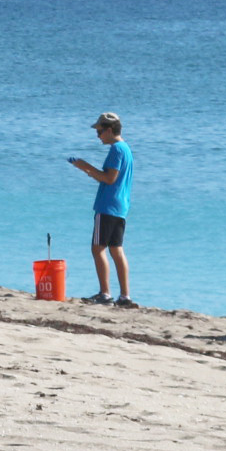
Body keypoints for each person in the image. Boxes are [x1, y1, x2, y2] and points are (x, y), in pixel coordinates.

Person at [66, 113, 134, 306]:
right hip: (120, 206)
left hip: (108, 206)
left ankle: (105, 294)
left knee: (97, 249)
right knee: (116, 249)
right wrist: (93, 173)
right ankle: (125, 296)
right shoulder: (125, 149)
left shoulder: (116, 150)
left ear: (110, 130)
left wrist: (84, 166)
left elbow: (109, 178)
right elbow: (111, 178)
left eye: (100, 131)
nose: (98, 136)